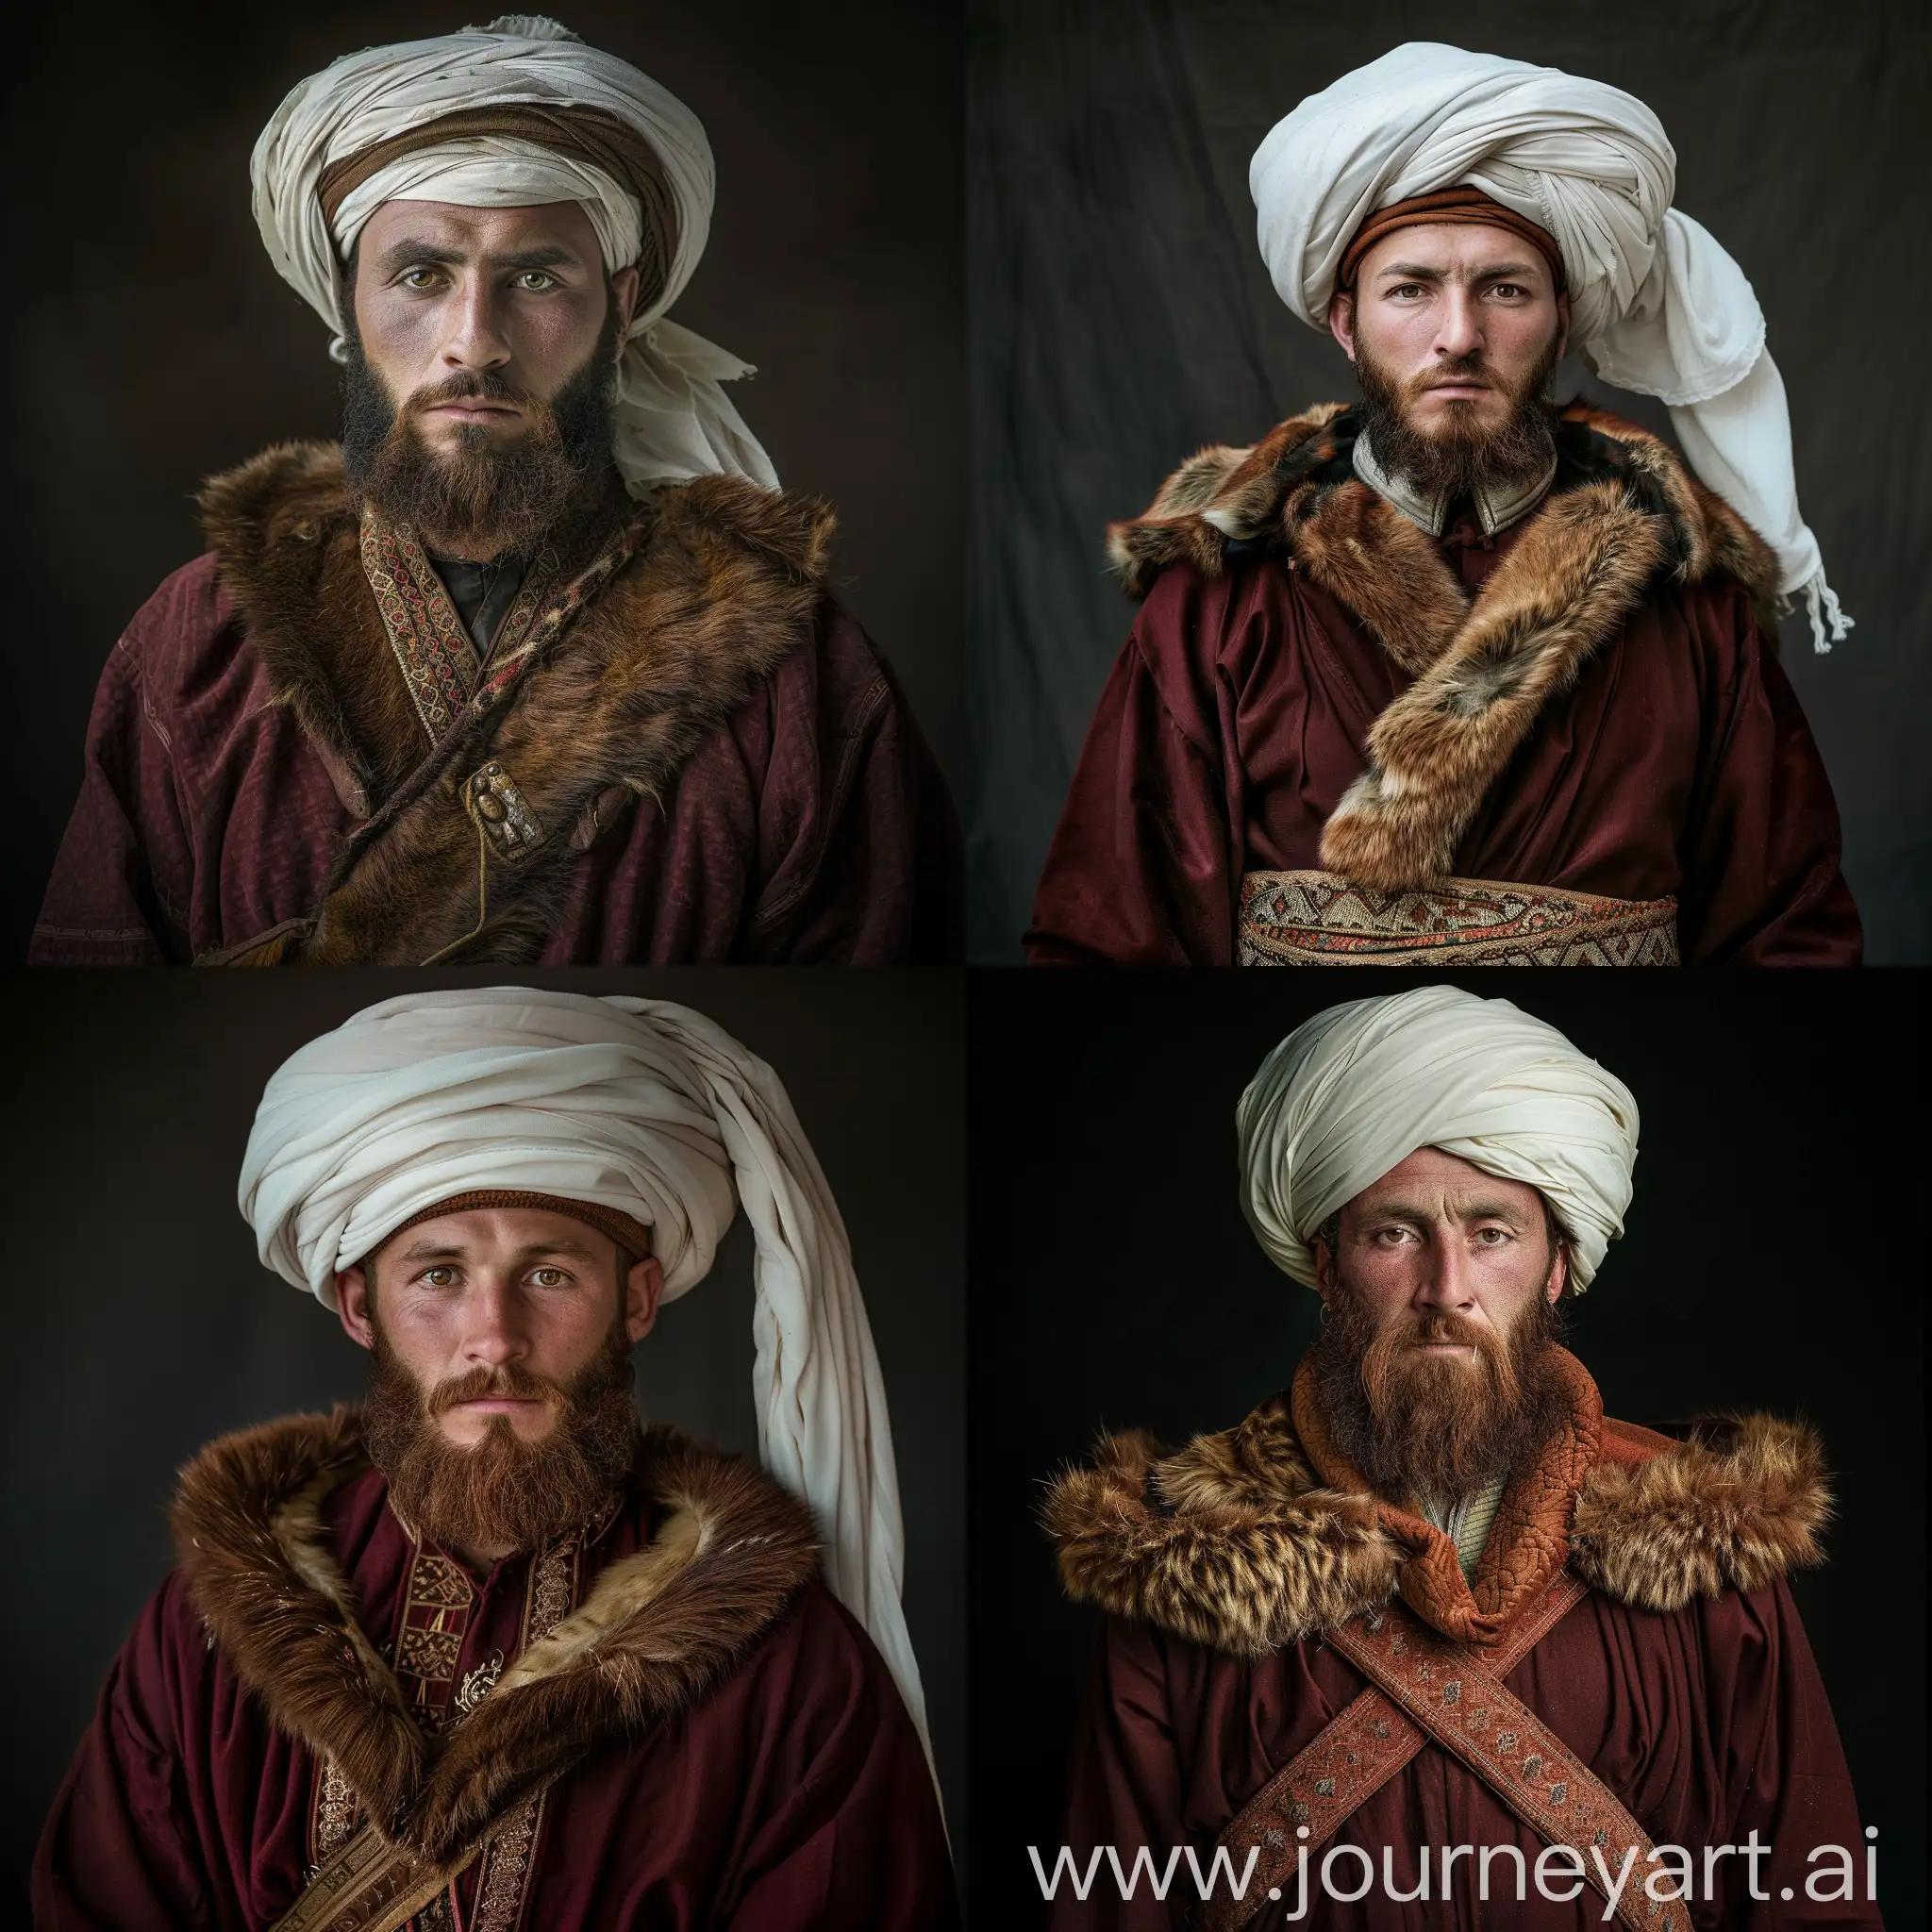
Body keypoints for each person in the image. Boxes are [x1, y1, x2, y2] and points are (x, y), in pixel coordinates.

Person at [30, 16, 960, 966]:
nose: (473, 339)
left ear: (623, 301)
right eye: (422, 274)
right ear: (349, 299)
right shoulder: (193, 646)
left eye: (536, 275)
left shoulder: (800, 680)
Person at [35, 988, 957, 1929]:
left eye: (548, 1273)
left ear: (634, 1301)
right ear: (360, 1306)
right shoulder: (199, 1638)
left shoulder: (790, 1669)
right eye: (439, 1274)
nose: (494, 1337)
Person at [1043, 987, 1876, 1929]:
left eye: (1490, 1233)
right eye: (1394, 1232)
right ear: (1326, 1263)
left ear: (1556, 1260)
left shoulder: (1705, 1540)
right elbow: (1107, 1903)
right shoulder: (1184, 1557)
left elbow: (1814, 1896)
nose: (1447, 1289)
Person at [1027, 43, 1858, 967]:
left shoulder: (1688, 598)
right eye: (1410, 289)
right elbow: (1106, 937)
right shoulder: (1217, 599)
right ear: (1345, 320)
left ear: (1563, 320)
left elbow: (1789, 931)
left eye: (1503, 289)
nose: (1457, 336)